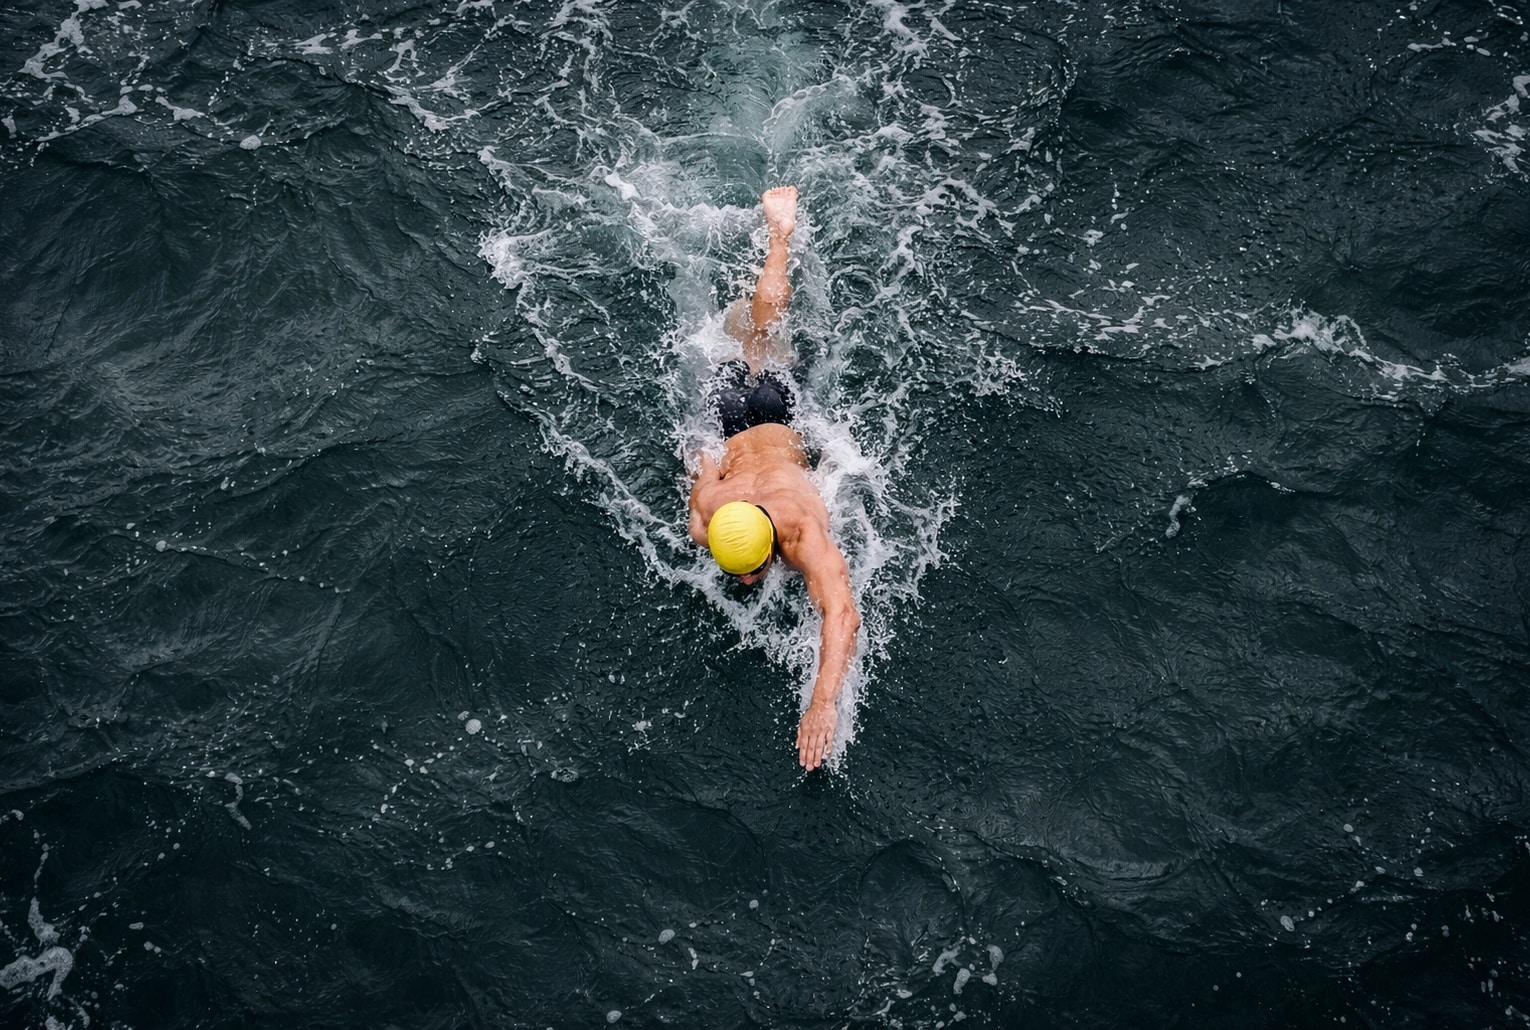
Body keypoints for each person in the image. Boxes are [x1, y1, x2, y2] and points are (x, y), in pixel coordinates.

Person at [687, 186, 860, 772]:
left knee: (759, 336)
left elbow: (844, 615)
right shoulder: (711, 519)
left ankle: (779, 238)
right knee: (759, 336)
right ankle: (776, 240)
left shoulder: (781, 529)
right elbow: (837, 608)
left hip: (752, 419)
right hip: (747, 421)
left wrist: (821, 706)